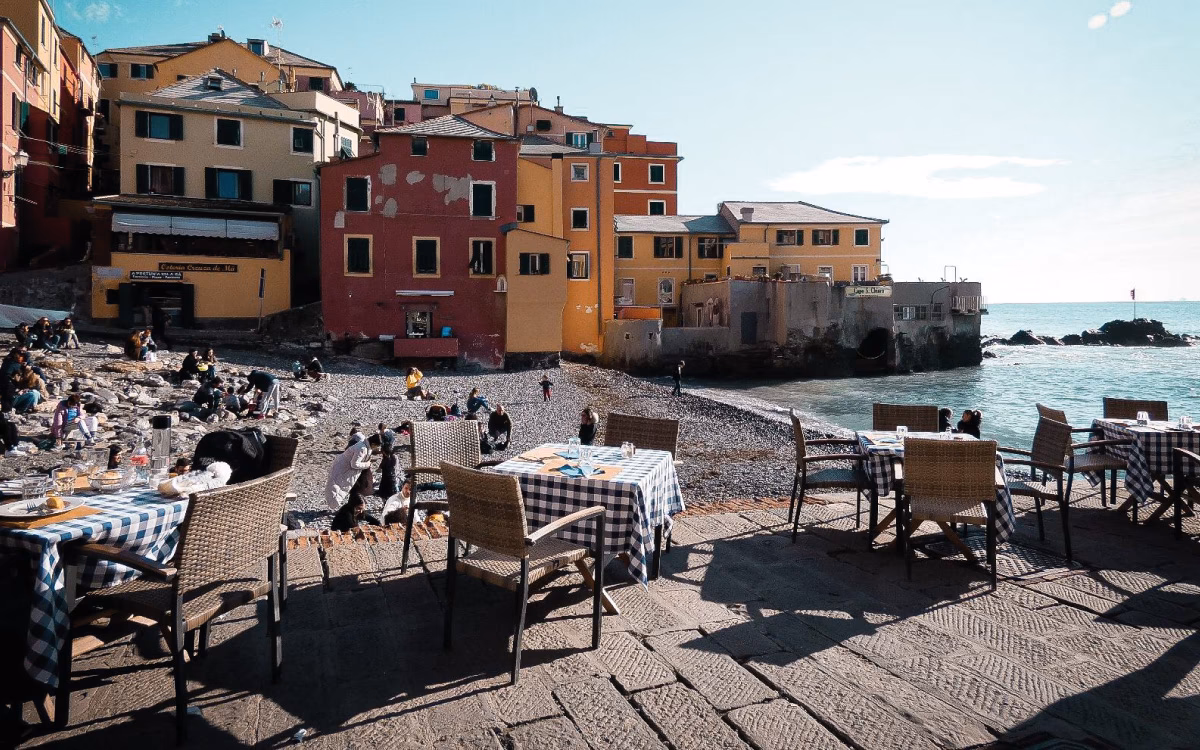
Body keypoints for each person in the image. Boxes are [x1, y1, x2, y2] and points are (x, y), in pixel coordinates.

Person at [325, 433, 380, 511]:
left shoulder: (365, 446)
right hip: (346, 469)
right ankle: (353, 507)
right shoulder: (362, 448)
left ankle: (353, 506)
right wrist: (367, 464)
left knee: (355, 488)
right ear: (373, 443)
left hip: (354, 471)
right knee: (342, 487)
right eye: (377, 446)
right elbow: (354, 464)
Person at [377, 429, 402, 499]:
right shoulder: (391, 457)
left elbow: (394, 469)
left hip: (390, 478)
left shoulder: (391, 458)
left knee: (387, 492)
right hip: (389, 478)